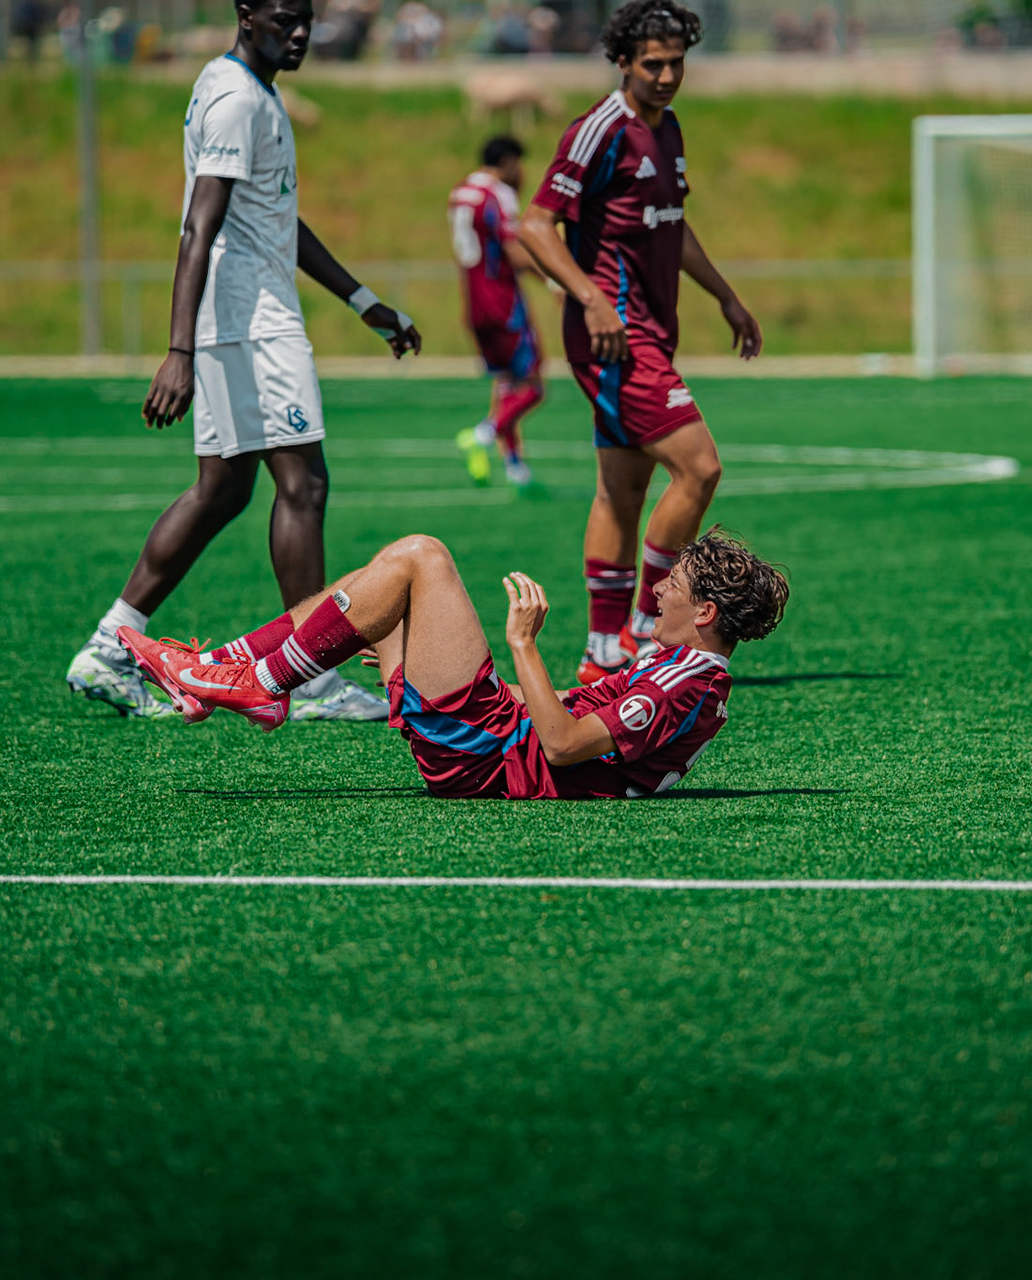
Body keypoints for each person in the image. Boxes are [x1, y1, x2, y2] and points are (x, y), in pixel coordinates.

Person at [65, 0, 422, 721]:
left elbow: (274, 218)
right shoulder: (236, 99)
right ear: (246, 13)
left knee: (223, 491)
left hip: (241, 318)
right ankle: (312, 679)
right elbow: (200, 224)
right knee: (304, 485)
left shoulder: (248, 90)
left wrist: (362, 300)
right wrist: (178, 350)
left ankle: (111, 644)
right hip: (251, 323)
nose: (299, 33)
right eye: (284, 18)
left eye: (307, 20)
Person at [118, 528, 789, 799]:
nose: (662, 585)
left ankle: (257, 682)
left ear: (705, 614)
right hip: (484, 736)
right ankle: (233, 672)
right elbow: (568, 712)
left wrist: (521, 644)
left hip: (486, 754)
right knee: (380, 579)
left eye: (677, 581)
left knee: (421, 556)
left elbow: (560, 746)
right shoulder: (680, 672)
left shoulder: (684, 685)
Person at [517, 0, 762, 684]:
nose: (666, 74)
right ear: (622, 61)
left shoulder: (669, 128)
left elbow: (673, 226)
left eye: (676, 61)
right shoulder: (599, 129)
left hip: (652, 332)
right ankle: (650, 633)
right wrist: (591, 298)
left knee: (621, 493)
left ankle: (602, 654)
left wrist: (726, 296)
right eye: (652, 63)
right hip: (615, 339)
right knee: (700, 468)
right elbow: (535, 227)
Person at [450, 135, 548, 488]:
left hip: (474, 304)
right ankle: (482, 435)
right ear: (507, 161)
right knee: (534, 386)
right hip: (504, 302)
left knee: (506, 383)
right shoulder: (498, 194)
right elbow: (514, 251)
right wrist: (555, 282)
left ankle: (514, 465)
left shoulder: (460, 192)